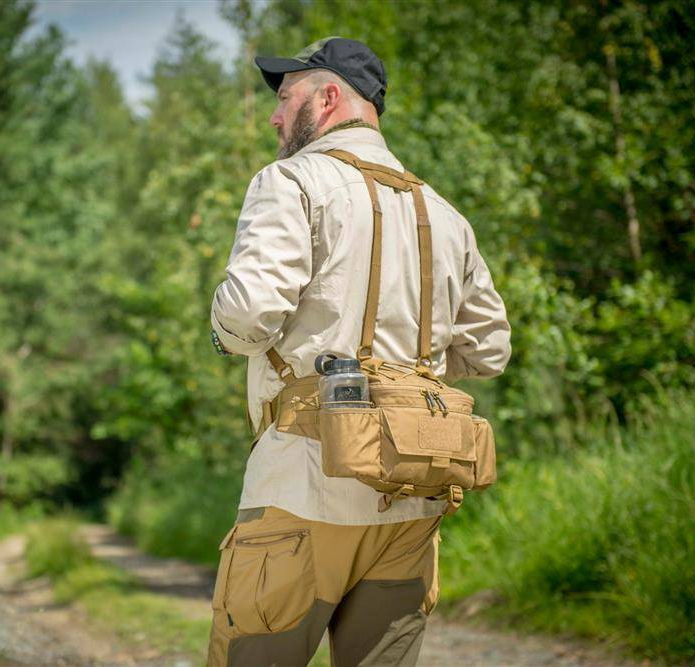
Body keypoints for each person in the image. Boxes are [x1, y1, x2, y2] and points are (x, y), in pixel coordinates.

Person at [207, 37, 511, 666]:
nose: (275, 117)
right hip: (413, 497)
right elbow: (489, 349)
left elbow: (247, 317)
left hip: (303, 484)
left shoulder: (289, 181)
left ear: (327, 97)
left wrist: (221, 333)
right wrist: (406, 376)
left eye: (285, 98)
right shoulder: (445, 214)